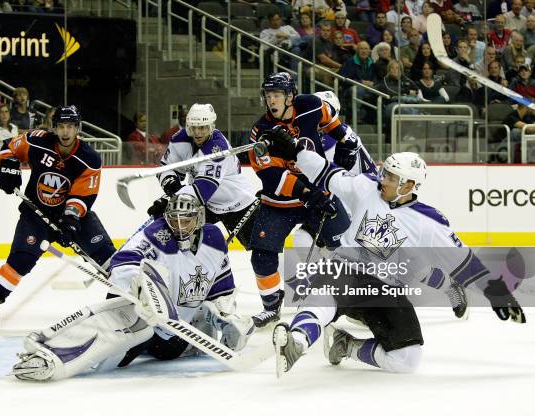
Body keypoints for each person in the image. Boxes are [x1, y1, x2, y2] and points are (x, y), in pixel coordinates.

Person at [264, 139, 525, 375]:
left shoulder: (428, 223)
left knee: (407, 358)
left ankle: (346, 345)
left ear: (408, 185)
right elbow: (327, 173)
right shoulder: (365, 186)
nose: (382, 179)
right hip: (345, 271)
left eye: (390, 176)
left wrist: (497, 294)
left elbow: (464, 261)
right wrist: (296, 150)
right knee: (323, 296)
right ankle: (296, 341)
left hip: (385, 287)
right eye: (384, 172)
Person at [11, 194, 254, 381]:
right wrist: (145, 292)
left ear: (199, 219)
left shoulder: (213, 240)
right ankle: (54, 357)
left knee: (146, 334)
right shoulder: (157, 233)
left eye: (187, 220)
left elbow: (222, 290)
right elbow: (122, 263)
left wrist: (228, 320)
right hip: (144, 314)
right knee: (121, 342)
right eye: (174, 219)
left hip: (174, 339)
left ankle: (201, 323)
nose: (179, 226)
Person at [0, 105, 117, 326]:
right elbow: (9, 147)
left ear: (78, 128)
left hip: (73, 217)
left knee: (106, 256)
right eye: (61, 126)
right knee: (22, 259)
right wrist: (9, 167)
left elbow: (83, 195)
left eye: (70, 127)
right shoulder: (37, 140)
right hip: (36, 214)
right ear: (54, 128)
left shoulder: (89, 158)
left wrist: (71, 219)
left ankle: (127, 297)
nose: (65, 132)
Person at [247, 72, 353, 327]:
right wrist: (309, 193)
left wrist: (345, 141)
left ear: (290, 96)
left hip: (318, 194)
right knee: (262, 256)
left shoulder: (311, 105)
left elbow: (331, 121)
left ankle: (354, 300)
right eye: (268, 95)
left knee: (347, 244)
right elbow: (272, 178)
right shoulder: (261, 131)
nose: (271, 100)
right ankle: (271, 306)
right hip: (280, 202)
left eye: (277, 95)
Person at [147, 103, 258, 252]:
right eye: (193, 127)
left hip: (238, 203)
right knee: (179, 233)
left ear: (211, 127)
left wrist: (171, 198)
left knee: (262, 255)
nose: (198, 132)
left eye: (203, 127)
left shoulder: (217, 148)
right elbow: (166, 169)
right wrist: (171, 185)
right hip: (206, 206)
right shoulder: (179, 140)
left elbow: (203, 190)